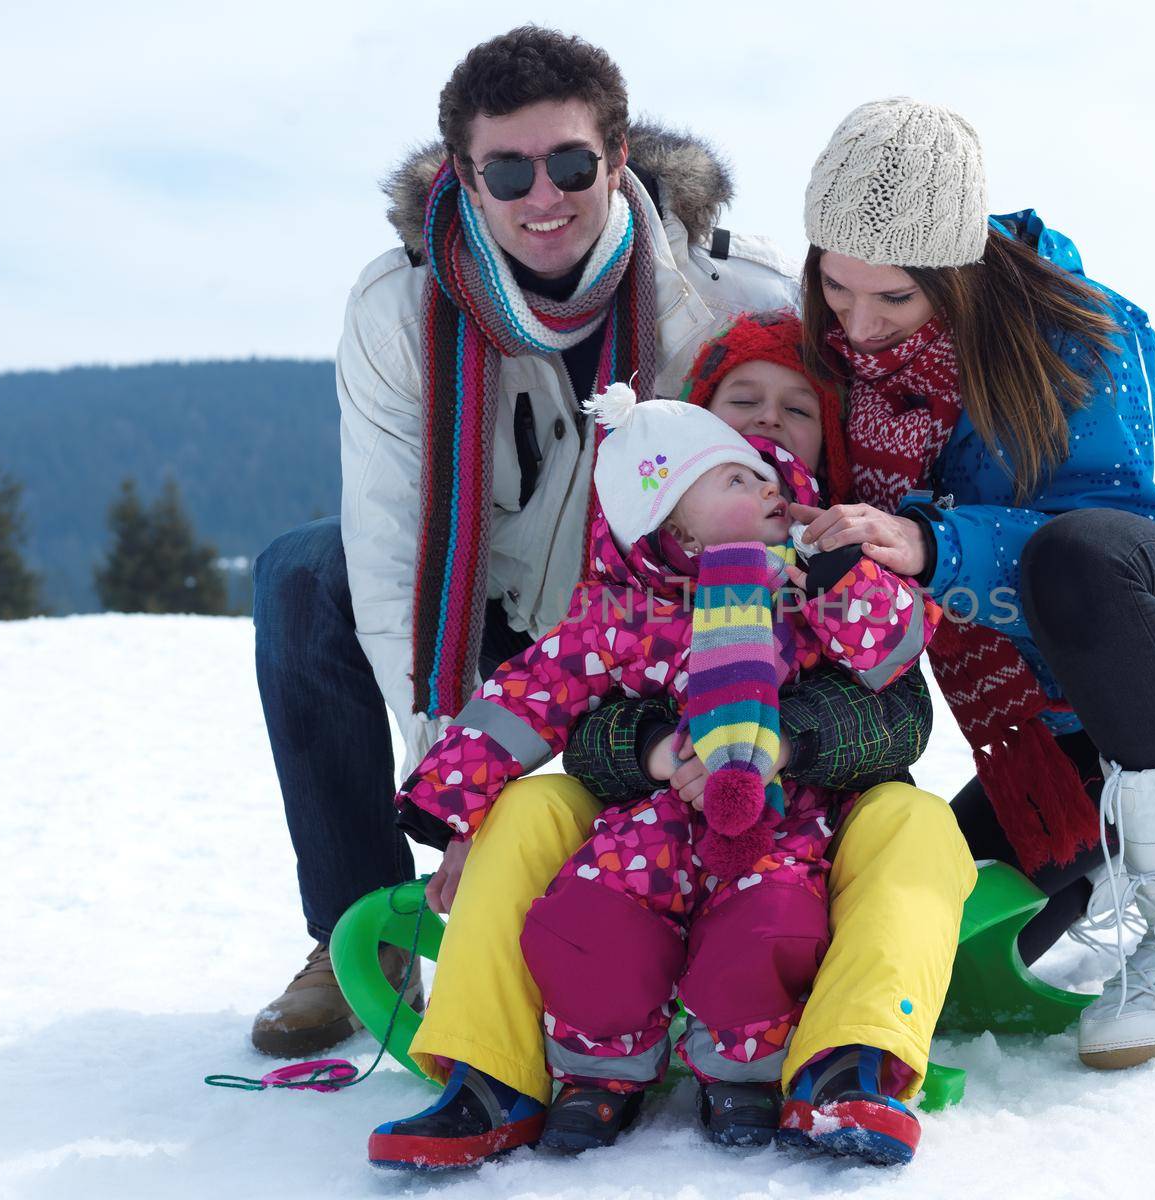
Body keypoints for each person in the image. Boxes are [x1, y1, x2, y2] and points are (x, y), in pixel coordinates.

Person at [247, 26, 804, 1058]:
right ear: (464, 173)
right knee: (300, 573)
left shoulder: (731, 292)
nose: (540, 195)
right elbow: (387, 548)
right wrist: (458, 785)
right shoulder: (399, 306)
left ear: (618, 157)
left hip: (661, 632)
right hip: (493, 628)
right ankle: (359, 932)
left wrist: (1125, 415)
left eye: (568, 163)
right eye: (505, 169)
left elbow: (891, 365)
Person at [787, 98, 1155, 1071]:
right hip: (1069, 724)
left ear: (955, 279)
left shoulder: (1072, 338)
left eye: (895, 300)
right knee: (941, 956)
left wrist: (928, 542)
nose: (859, 325)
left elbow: (1107, 546)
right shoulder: (839, 378)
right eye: (837, 289)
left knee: (1076, 555)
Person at [368, 311, 970, 1170]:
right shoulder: (623, 587)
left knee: (917, 826)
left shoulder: (825, 563)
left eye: (797, 409)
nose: (768, 419)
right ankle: (489, 1072)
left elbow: (901, 708)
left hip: (812, 817)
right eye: (743, 399)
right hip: (646, 826)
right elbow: (546, 696)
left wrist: (786, 737)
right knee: (532, 806)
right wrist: (644, 752)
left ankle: (850, 1061)